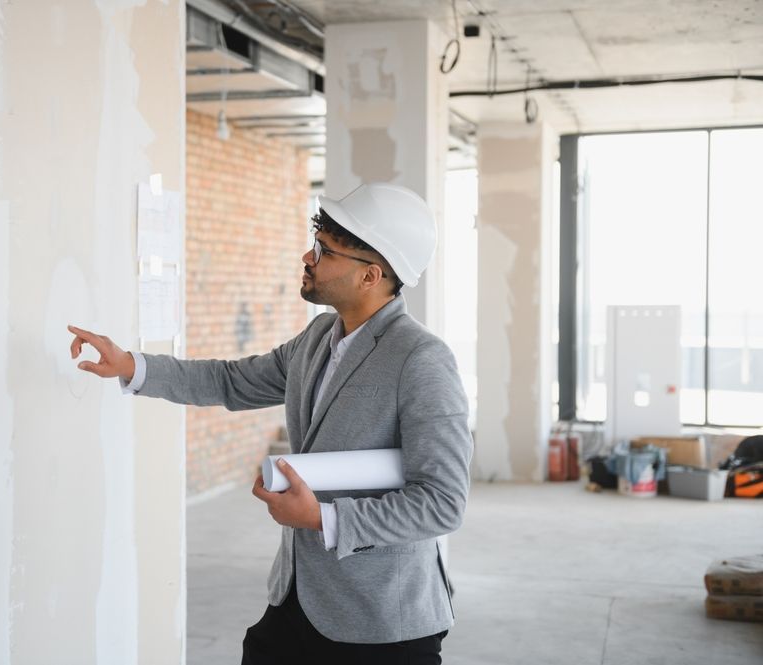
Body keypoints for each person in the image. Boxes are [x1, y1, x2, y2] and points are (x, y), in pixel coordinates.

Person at [68, 182, 473, 664]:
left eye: (325, 250)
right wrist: (134, 366)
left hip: (380, 622)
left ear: (371, 275)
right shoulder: (321, 336)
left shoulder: (421, 359)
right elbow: (232, 381)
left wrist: (325, 518)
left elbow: (443, 502)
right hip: (298, 600)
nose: (308, 255)